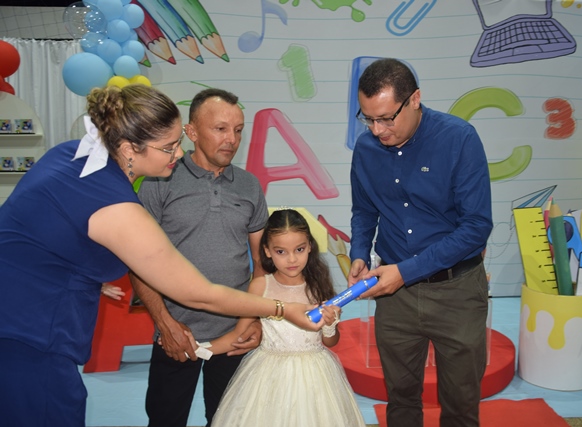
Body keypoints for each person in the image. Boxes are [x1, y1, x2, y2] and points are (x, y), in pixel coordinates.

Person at [0, 84, 320, 427]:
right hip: (30, 337)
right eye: (168, 147)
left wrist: (85, 273)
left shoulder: (74, 155)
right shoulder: (115, 201)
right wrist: (283, 308)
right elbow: (199, 293)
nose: (178, 153)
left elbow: (45, 237)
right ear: (129, 148)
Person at [348, 58, 493, 427]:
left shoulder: (459, 139)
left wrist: (406, 271)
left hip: (457, 291)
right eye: (368, 119)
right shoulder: (366, 149)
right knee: (400, 401)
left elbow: (476, 226)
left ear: (414, 99)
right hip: (395, 297)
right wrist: (359, 254)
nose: (377, 130)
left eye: (386, 118)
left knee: (461, 405)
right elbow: (364, 211)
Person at [129, 88, 268, 427]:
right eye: (220, 129)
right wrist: (165, 324)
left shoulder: (250, 186)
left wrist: (253, 321)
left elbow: (262, 266)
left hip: (235, 335)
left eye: (238, 130)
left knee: (228, 421)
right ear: (191, 132)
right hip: (176, 333)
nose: (231, 139)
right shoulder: (159, 180)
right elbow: (138, 262)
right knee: (165, 420)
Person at [208, 209, 366, 427]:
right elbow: (239, 334)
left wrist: (330, 325)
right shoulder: (260, 286)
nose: (292, 259)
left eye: (299, 249)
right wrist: (197, 349)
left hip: (315, 377)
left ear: (310, 246)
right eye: (281, 251)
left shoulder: (318, 285)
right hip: (268, 375)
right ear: (267, 251)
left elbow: (330, 341)